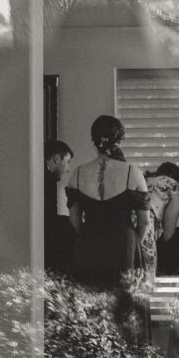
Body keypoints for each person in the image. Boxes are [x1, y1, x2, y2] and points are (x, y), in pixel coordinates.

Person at [66, 115, 150, 290]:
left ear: (94, 140)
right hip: (123, 244)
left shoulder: (78, 173)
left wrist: (90, 233)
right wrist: (134, 242)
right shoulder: (132, 173)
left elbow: (74, 219)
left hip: (89, 243)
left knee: (90, 301)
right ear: (119, 140)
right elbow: (145, 221)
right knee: (123, 304)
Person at [141, 162, 179, 280]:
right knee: (147, 280)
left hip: (122, 226)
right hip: (145, 224)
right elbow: (168, 233)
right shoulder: (175, 187)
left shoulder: (144, 180)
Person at [44, 139, 74, 276]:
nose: (68, 169)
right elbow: (48, 222)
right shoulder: (46, 182)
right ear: (57, 159)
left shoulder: (46, 180)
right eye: (67, 162)